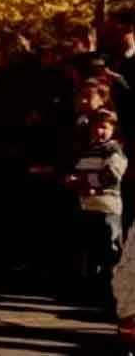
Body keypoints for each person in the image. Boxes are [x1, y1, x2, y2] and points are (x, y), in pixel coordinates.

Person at [66, 109, 126, 288]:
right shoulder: (89, 150)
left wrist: (90, 183)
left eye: (103, 127)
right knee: (91, 247)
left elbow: (113, 174)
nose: (98, 131)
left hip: (106, 206)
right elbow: (80, 171)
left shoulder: (113, 149)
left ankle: (114, 284)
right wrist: (74, 180)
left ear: (113, 129)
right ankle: (93, 283)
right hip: (88, 206)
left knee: (109, 245)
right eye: (95, 127)